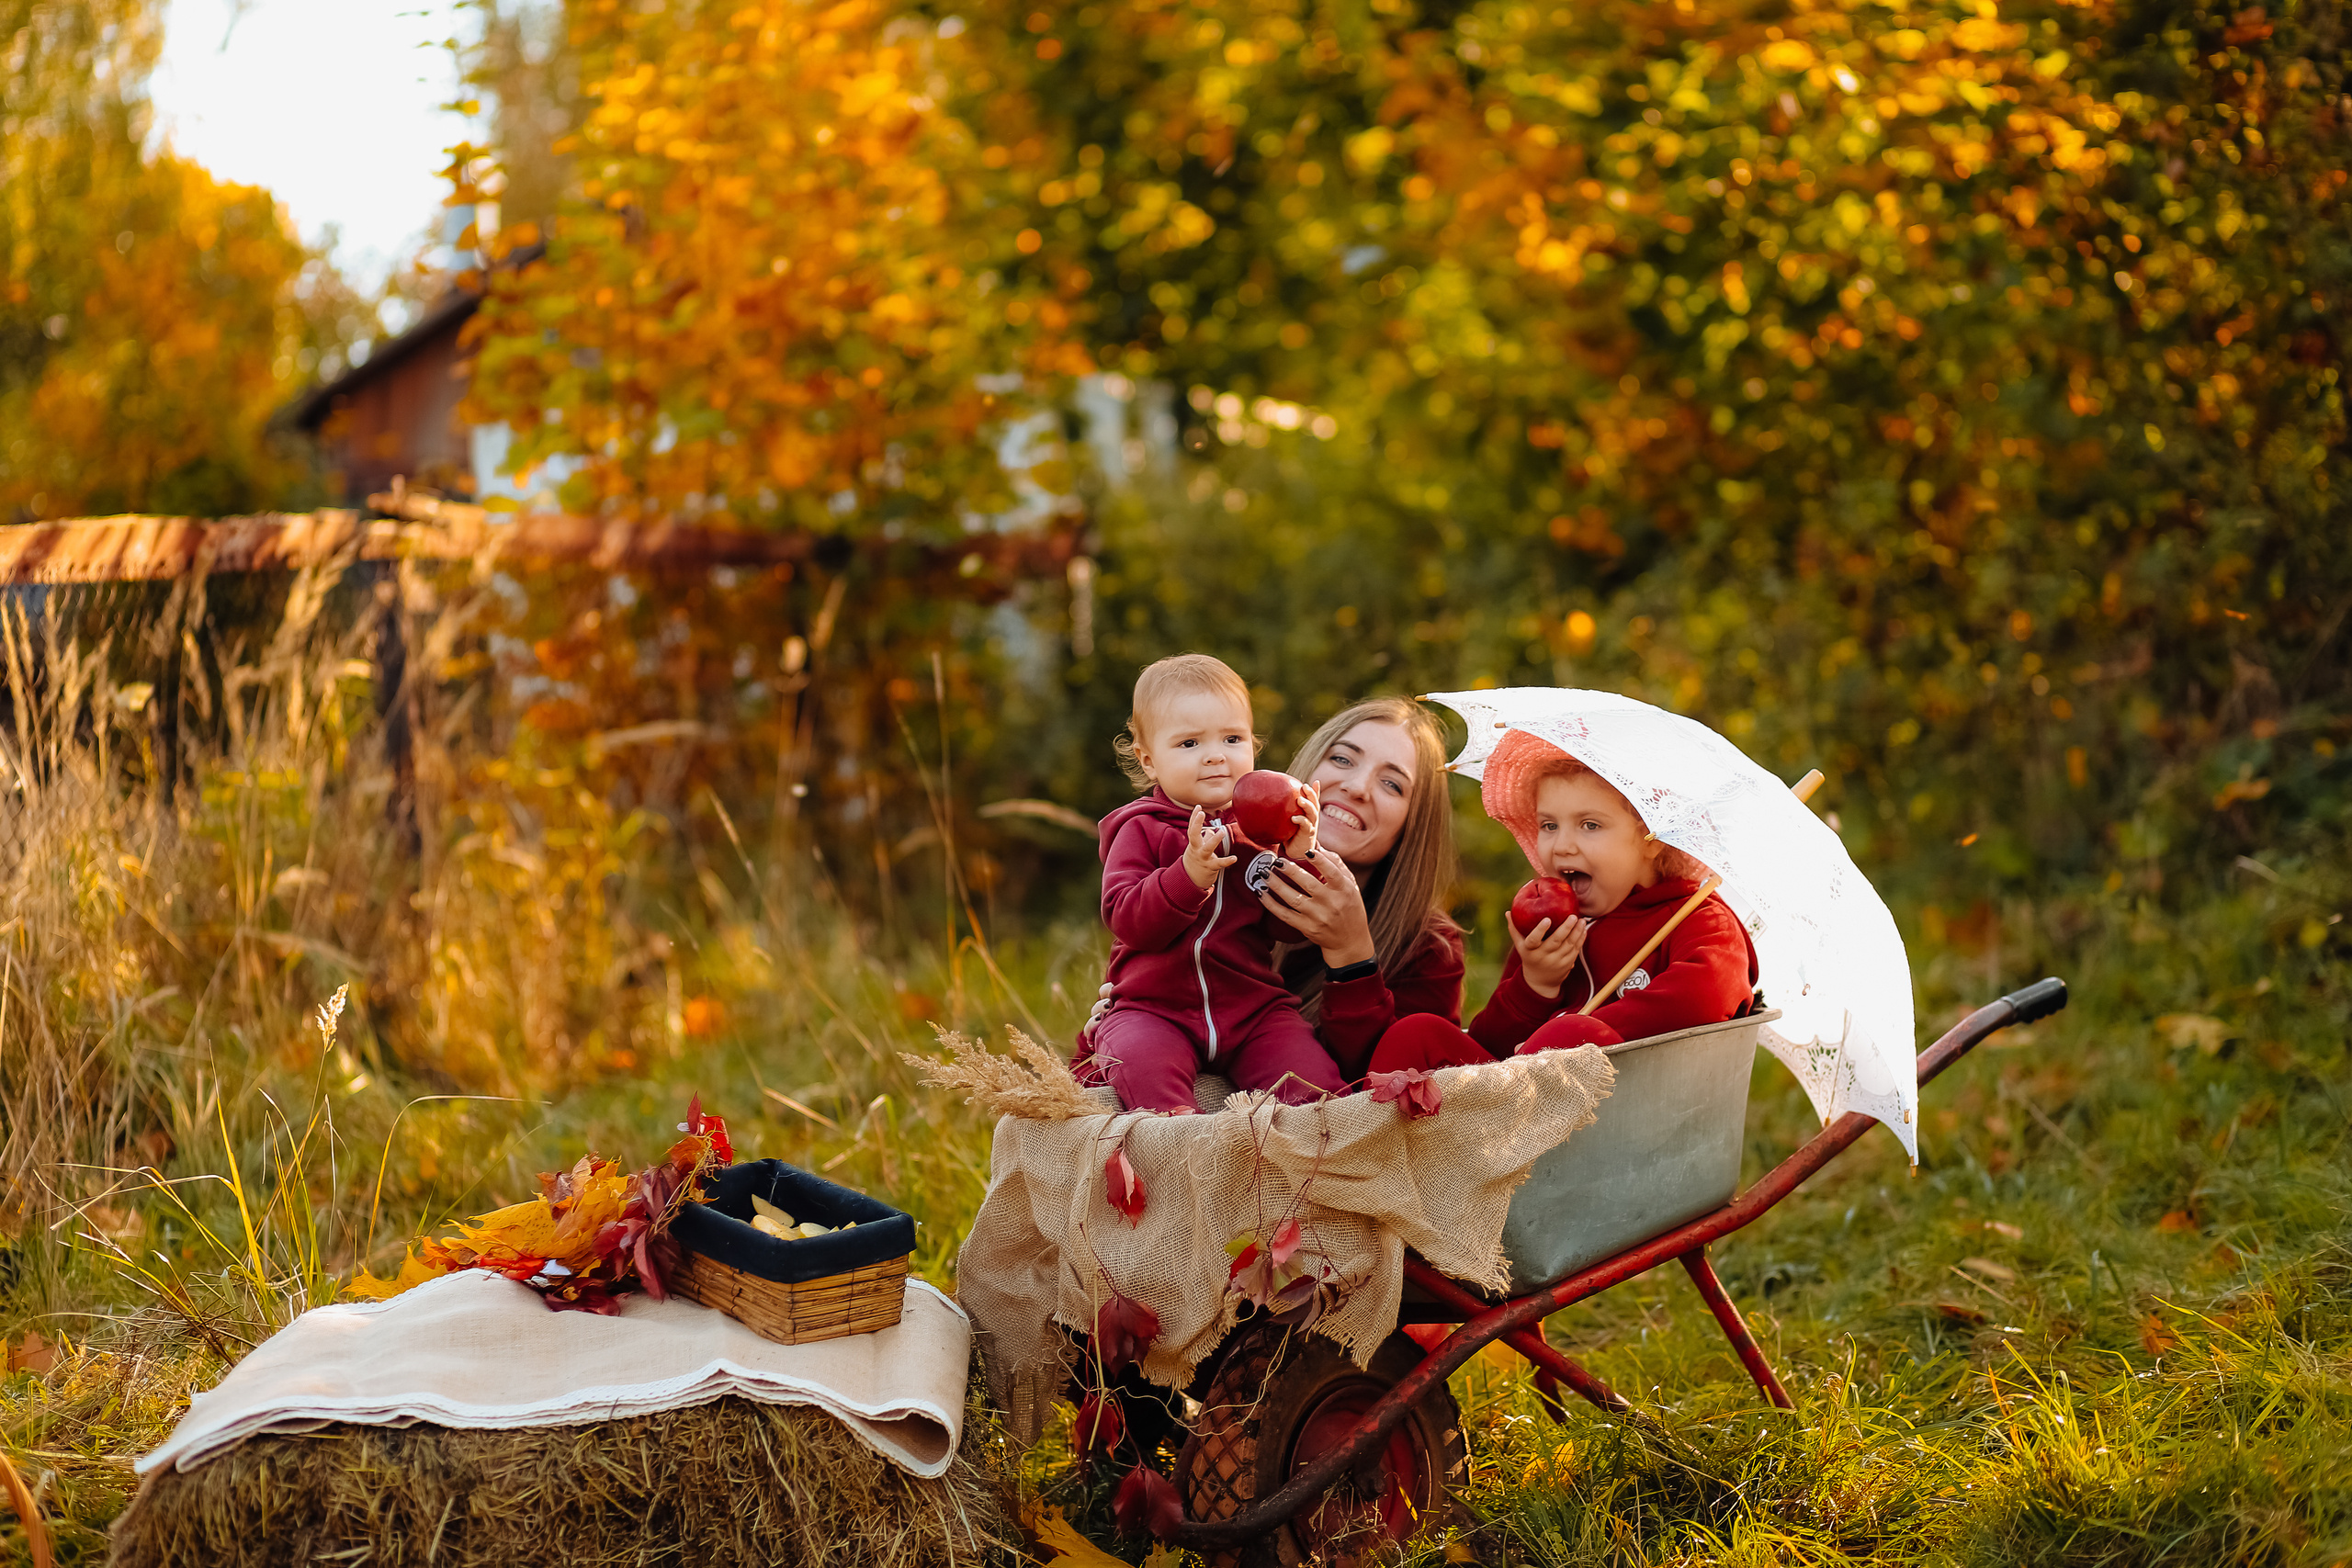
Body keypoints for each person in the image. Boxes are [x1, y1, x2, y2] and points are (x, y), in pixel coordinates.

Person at [1074, 694, 1464, 1091]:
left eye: (1392, 784)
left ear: (1412, 824)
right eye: (1343, 759)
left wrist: (1352, 955)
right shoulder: (1218, 853)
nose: (1357, 787)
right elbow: (1096, 1084)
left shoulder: (1429, 948)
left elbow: (1379, 1097)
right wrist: (1113, 1030)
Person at [1366, 729, 1757, 1074]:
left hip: (1620, 1114)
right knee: (1417, 1033)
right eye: (1549, 825)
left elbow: (1706, 994)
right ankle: (1370, 1148)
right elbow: (1492, 1044)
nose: (1562, 845)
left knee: (1575, 1031)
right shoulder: (1551, 925)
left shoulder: (1698, 918)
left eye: (1590, 825)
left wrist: (1571, 1033)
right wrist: (1536, 984)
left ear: (1650, 839)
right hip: (1509, 1114)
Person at [1089, 654, 1345, 1113]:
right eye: (1189, 743)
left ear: (1253, 746)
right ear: (1149, 761)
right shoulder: (1141, 829)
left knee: (1315, 1087)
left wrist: (1301, 852)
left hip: (1252, 1011)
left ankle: (1314, 1168)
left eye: (1232, 738)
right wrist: (1188, 876)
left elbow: (1288, 928)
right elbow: (1128, 919)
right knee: (1143, 1068)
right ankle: (1177, 1154)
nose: (1214, 755)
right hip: (1154, 1009)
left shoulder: (1261, 828)